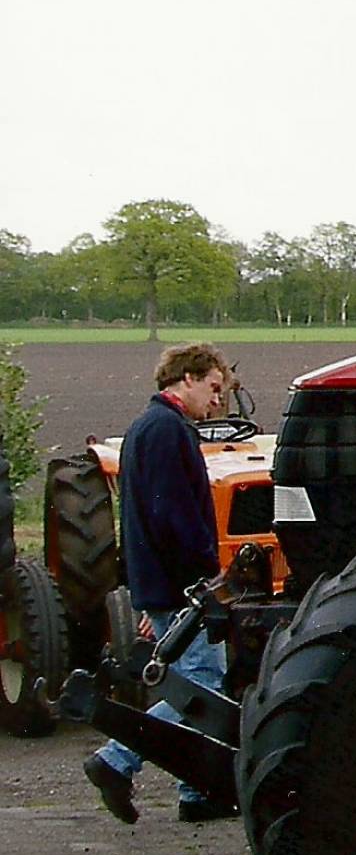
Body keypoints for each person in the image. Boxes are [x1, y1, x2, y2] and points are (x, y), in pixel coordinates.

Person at [82, 343, 237, 824]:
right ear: (186, 378)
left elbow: (145, 519)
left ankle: (197, 789)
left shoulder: (146, 430)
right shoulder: (169, 431)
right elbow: (174, 517)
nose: (216, 402)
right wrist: (205, 580)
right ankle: (117, 759)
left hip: (163, 582)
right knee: (201, 688)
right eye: (214, 389)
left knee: (195, 683)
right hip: (183, 584)